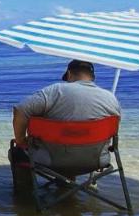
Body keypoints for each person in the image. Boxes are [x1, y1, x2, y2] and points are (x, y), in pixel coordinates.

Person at [8, 59, 121, 188]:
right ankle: (67, 190)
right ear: (92, 77)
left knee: (17, 152)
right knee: (74, 142)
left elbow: (20, 110)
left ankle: (26, 198)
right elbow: (113, 133)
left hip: (53, 160)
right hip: (96, 161)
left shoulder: (55, 91)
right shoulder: (111, 98)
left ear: (69, 74)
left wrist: (21, 140)